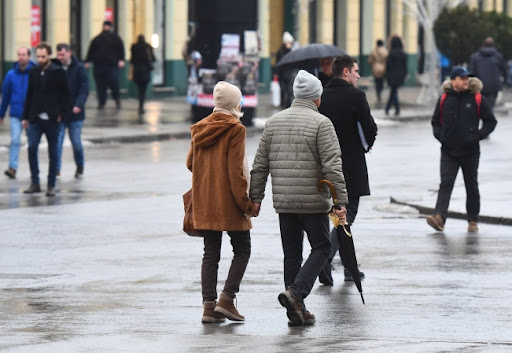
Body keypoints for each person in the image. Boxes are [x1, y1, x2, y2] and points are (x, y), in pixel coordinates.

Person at [250, 70, 348, 326]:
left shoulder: (274, 122)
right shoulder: (322, 123)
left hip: (284, 202)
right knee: (323, 247)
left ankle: (297, 311)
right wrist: (340, 202)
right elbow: (332, 166)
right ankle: (296, 293)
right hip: (313, 201)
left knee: (291, 254)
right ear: (317, 97)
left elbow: (260, 165)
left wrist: (256, 196)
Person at [186, 81, 255, 324]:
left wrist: (208, 173)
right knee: (243, 250)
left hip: (205, 200)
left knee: (211, 253)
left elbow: (190, 163)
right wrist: (247, 204)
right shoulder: (235, 129)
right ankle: (226, 300)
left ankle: (208, 307)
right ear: (234, 103)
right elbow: (236, 173)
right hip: (230, 202)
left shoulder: (199, 128)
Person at [318, 55, 378, 285]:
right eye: (355, 70)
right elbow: (369, 128)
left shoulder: (321, 96)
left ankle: (348, 268)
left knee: (336, 214)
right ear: (345, 72)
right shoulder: (356, 96)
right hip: (351, 164)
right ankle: (326, 257)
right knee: (347, 213)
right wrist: (367, 144)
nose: (358, 75)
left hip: (325, 165)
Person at [427, 66, 497, 233]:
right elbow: (435, 121)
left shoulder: (477, 98)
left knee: (471, 185)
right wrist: (440, 136)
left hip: (470, 151)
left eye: (467, 78)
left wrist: (476, 136)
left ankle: (473, 220)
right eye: (462, 78)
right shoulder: (444, 98)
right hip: (449, 150)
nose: (466, 81)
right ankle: (439, 217)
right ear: (453, 81)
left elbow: (490, 121)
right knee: (446, 183)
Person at [21, 42, 69, 196]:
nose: (40, 59)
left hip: (52, 119)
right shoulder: (33, 71)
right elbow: (29, 94)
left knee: (53, 152)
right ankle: (35, 182)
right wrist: (25, 116)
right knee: (32, 148)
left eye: (43, 56)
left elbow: (66, 95)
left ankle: (51, 185)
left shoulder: (58, 71)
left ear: (49, 55)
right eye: (38, 56)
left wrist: (62, 113)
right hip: (35, 118)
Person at [0, 47, 35, 179]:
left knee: (33, 142)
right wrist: (1, 114)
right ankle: (12, 168)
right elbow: (6, 96)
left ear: (29, 57)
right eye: (19, 54)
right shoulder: (10, 75)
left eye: (23, 55)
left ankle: (34, 169)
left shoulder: (35, 72)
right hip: (16, 113)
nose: (21, 57)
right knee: (15, 140)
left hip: (31, 114)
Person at [55, 43, 89, 178]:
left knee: (76, 141)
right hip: (60, 113)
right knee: (57, 142)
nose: (60, 57)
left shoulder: (79, 68)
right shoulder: (55, 68)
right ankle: (56, 169)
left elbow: (84, 89)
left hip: (76, 113)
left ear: (69, 53)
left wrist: (78, 105)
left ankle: (80, 166)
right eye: (58, 55)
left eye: (62, 54)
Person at [85, 20, 125, 110]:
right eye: (104, 26)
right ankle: (101, 102)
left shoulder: (116, 39)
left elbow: (121, 50)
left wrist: (121, 60)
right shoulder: (97, 39)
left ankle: (117, 99)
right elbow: (91, 51)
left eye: (107, 26)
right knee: (100, 86)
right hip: (99, 66)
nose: (105, 28)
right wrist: (88, 61)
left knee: (114, 84)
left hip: (112, 66)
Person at [469, 37, 507, 110]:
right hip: (493, 87)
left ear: (483, 44)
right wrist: (503, 84)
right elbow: (505, 71)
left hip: (478, 86)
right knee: (489, 109)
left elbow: (471, 72)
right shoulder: (498, 56)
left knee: (478, 108)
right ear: (493, 45)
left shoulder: (475, 57)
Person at [130, 34, 155, 115]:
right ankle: (141, 106)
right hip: (145, 72)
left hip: (137, 72)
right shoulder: (148, 47)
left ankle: (140, 105)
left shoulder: (134, 47)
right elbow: (153, 59)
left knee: (140, 89)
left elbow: (132, 60)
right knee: (143, 90)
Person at [385, 35, 407, 116]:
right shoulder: (402, 53)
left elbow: (388, 66)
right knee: (393, 91)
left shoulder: (391, 53)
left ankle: (396, 109)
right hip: (400, 75)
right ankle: (387, 109)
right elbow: (404, 65)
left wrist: (387, 75)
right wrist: (404, 74)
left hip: (392, 75)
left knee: (393, 92)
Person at [275, 31, 294, 108]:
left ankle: (287, 104)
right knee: (283, 90)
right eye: (289, 43)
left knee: (289, 90)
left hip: (289, 73)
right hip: (282, 74)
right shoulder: (280, 52)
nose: (290, 45)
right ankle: (283, 103)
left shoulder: (291, 51)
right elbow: (278, 63)